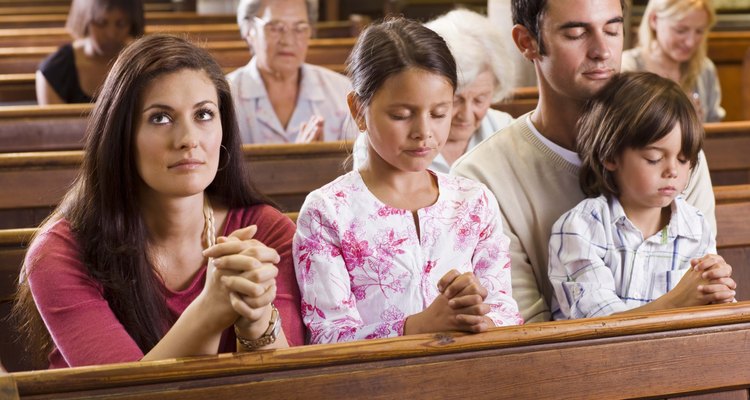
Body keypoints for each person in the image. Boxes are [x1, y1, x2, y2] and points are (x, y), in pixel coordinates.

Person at [14, 34, 305, 369]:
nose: (188, 139)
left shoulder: (267, 232)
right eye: (160, 118)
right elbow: (122, 393)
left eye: (204, 115)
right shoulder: (61, 252)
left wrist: (257, 325)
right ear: (121, 135)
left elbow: (289, 384)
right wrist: (210, 311)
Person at [451, 0, 718, 323]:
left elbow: (704, 299)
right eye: (577, 33)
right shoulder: (481, 177)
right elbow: (522, 335)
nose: (602, 51)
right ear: (527, 42)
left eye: (612, 29)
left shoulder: (676, 155)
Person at [293, 18, 523, 345]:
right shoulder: (327, 213)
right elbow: (327, 336)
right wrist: (417, 326)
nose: (423, 132)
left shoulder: (475, 202)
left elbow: (506, 313)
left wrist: (478, 310)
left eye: (440, 113)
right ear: (359, 110)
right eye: (402, 115)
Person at [548, 72, 736, 320]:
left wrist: (719, 295)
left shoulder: (696, 227)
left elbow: (713, 321)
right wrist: (678, 301)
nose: (672, 171)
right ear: (611, 156)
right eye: (654, 159)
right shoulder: (581, 228)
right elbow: (596, 327)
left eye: (683, 160)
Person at [352, 9, 516, 172]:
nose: (466, 115)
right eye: (456, 100)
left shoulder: (504, 129)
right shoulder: (383, 145)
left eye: (480, 99)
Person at [228, 0, 357, 144]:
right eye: (275, 28)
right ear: (248, 30)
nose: (288, 41)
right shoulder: (225, 96)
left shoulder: (341, 92)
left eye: (300, 28)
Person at [621, 0, 723, 122]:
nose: (690, 42)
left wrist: (700, 129)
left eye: (699, 31)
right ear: (654, 20)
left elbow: (716, 131)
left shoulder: (705, 70)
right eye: (681, 30)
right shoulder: (626, 67)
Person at [35, 0, 144, 105]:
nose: (111, 34)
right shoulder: (54, 71)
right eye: (101, 22)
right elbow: (56, 123)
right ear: (84, 20)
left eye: (121, 23)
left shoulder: (144, 64)